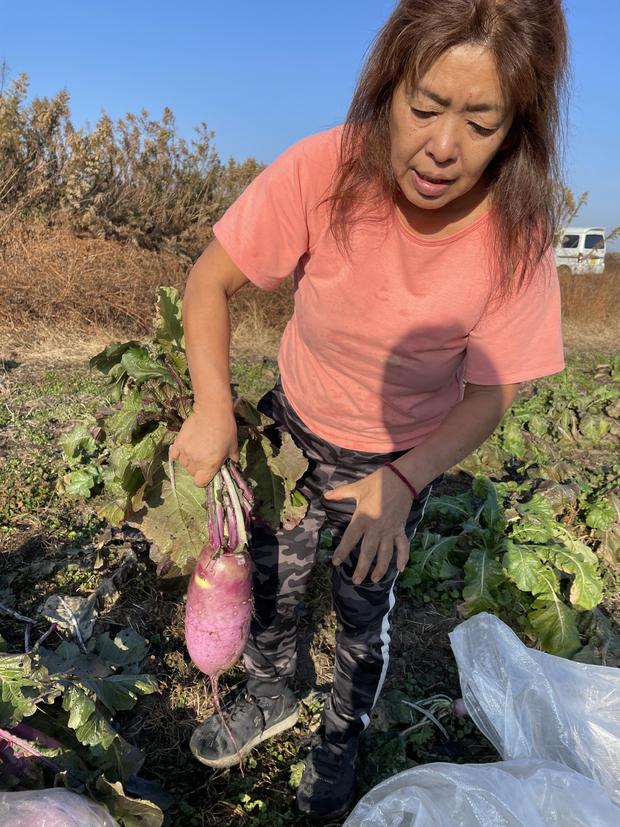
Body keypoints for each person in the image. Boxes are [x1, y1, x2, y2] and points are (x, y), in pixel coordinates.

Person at [169, 0, 568, 818]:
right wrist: (214, 405)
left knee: (361, 611)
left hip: (393, 460)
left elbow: (492, 393)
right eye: (424, 108)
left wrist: (407, 479)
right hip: (291, 424)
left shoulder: (516, 236)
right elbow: (210, 281)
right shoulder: (323, 169)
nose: (444, 147)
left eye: (481, 122)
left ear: (517, 127)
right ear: (388, 87)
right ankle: (273, 689)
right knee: (273, 577)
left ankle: (341, 744)